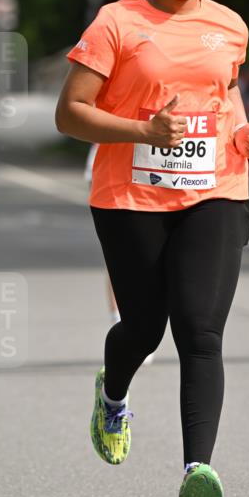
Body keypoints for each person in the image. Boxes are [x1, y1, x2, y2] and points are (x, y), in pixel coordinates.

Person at [56, 0, 249, 497]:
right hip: (129, 196)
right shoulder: (116, 22)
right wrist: (143, 129)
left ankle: (195, 473)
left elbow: (225, 94)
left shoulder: (228, 25)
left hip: (216, 189)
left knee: (200, 332)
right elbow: (70, 114)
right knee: (144, 327)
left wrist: (243, 136)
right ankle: (113, 396)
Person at [84, 141, 154, 364]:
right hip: (110, 156)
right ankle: (120, 321)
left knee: (150, 254)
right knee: (120, 254)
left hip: (153, 158)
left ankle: (143, 325)